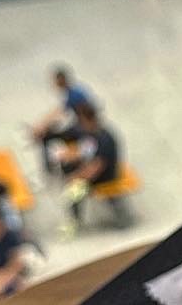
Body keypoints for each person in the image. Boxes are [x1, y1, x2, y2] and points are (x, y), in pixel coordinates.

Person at [58, 100, 122, 230]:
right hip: (100, 171)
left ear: (86, 119)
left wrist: (73, 177)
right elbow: (87, 150)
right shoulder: (97, 132)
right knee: (70, 170)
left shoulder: (104, 140)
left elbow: (94, 169)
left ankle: (74, 222)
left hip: (105, 177)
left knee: (74, 190)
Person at [32, 65, 95, 173]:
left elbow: (60, 112)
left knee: (47, 136)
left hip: (82, 130)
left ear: (61, 80)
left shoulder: (74, 95)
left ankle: (50, 169)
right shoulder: (75, 90)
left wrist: (42, 127)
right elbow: (60, 111)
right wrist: (43, 123)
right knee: (55, 130)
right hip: (81, 126)